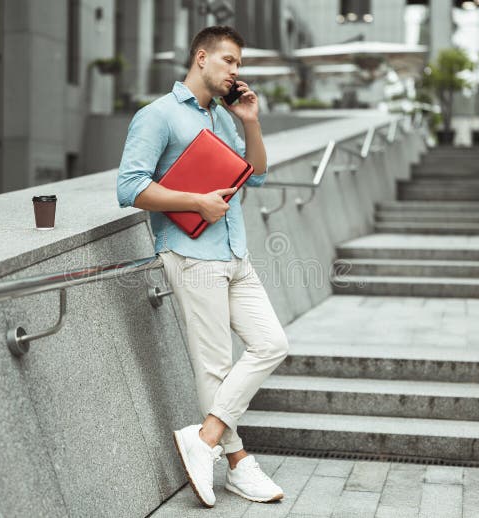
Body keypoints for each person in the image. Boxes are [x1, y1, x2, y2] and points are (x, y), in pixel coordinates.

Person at [116, 25, 289, 508]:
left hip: (235, 253)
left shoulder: (225, 117)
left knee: (272, 343)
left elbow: (255, 174)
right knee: (214, 366)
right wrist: (195, 200)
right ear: (201, 57)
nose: (237, 71)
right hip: (190, 253)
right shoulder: (158, 116)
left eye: (239, 63)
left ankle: (206, 438)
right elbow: (129, 187)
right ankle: (238, 464)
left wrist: (251, 121)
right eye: (230, 61)